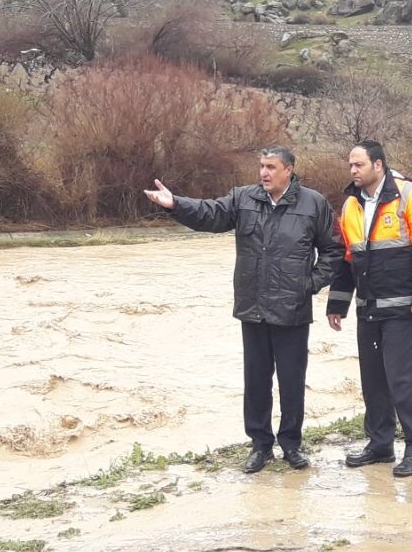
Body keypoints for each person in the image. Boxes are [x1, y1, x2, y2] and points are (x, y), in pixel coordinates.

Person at [144, 145, 342, 473]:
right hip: (253, 306)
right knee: (256, 380)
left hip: (292, 309)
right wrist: (175, 204)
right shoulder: (243, 198)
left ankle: (291, 445)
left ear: (288, 170)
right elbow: (210, 213)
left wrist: (309, 284)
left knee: (292, 381)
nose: (264, 172)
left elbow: (333, 250)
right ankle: (260, 446)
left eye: (271, 167)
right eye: (262, 166)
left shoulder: (313, 203)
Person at [326, 140, 412, 477]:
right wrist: (338, 303)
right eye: (350, 165)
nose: (353, 171)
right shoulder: (351, 204)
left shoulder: (411, 195)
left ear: (378, 165)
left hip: (404, 309)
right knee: (373, 381)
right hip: (368, 309)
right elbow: (349, 257)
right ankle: (380, 444)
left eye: (359, 165)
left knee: (403, 382)